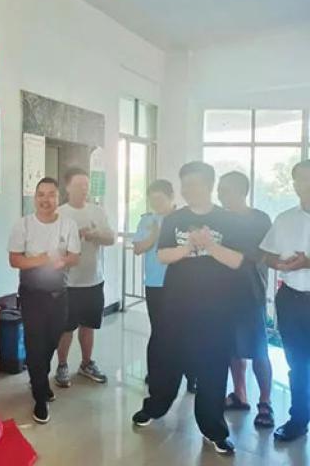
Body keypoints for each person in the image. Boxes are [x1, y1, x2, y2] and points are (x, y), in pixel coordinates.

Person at [132, 161, 254, 456]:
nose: (188, 190)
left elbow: (237, 260)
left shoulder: (228, 220)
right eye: (185, 185)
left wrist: (209, 245)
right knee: (166, 359)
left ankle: (213, 429)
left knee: (213, 367)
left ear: (209, 185)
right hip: (176, 303)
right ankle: (155, 406)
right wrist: (189, 247)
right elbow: (162, 255)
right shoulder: (174, 219)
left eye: (195, 184)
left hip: (216, 308)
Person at [8, 177, 80, 424]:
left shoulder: (68, 224)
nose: (45, 199)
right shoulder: (24, 224)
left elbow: (75, 256)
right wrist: (41, 260)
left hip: (60, 294)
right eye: (41, 194)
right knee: (35, 343)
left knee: (52, 339)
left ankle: (39, 377)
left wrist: (63, 261)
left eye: (51, 195)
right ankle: (40, 396)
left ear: (58, 198)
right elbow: (14, 260)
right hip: (32, 295)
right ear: (35, 198)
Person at [217, 171, 274, 428]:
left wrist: (229, 253)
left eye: (225, 190)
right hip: (223, 293)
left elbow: (262, 254)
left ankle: (265, 402)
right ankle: (239, 394)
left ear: (242, 191)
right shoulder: (220, 219)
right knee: (232, 347)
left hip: (251, 292)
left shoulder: (260, 219)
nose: (220, 195)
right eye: (219, 190)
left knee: (259, 350)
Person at [260, 159, 310, 442]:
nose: (306, 184)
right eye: (301, 179)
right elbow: (266, 253)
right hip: (291, 299)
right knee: (298, 363)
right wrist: (277, 263)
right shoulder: (284, 219)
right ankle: (299, 419)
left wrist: (308, 263)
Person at [133, 179, 197, 393]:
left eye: (159, 199)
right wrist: (154, 234)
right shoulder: (147, 220)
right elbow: (138, 249)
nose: (156, 204)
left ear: (171, 197)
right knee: (159, 330)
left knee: (185, 330)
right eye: (152, 200)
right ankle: (156, 372)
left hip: (183, 284)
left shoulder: (184, 219)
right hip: (155, 283)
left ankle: (191, 375)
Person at [54, 167, 114, 387]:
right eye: (79, 185)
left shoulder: (97, 211)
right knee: (65, 328)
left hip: (93, 280)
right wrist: (73, 238)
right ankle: (62, 365)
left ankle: (86, 363)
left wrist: (96, 234)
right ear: (68, 187)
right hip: (67, 283)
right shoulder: (60, 213)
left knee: (88, 326)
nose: (84, 189)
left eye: (86, 185)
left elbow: (111, 238)